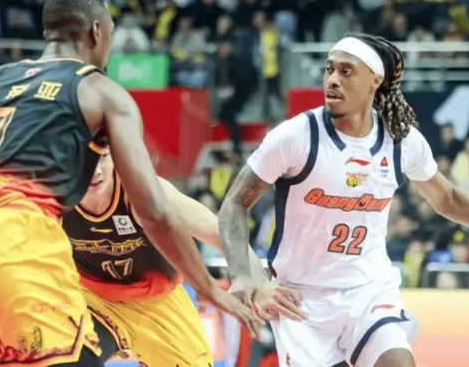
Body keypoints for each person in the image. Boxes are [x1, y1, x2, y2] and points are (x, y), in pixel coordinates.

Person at [0, 0, 259, 367]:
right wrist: (209, 288)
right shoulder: (98, 92)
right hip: (26, 258)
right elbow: (154, 214)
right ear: (98, 32)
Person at [217, 33, 469, 367]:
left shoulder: (401, 140)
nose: (332, 79)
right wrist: (243, 275)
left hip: (368, 290)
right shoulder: (295, 136)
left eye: (346, 71)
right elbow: (234, 204)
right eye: (329, 69)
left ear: (375, 80)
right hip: (302, 297)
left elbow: (448, 198)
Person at [62, 144, 305, 365]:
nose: (95, 171)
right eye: (85, 161)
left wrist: (257, 281)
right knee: (61, 357)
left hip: (157, 302)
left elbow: (220, 233)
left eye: (103, 158)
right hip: (93, 298)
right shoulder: (52, 199)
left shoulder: (145, 192)